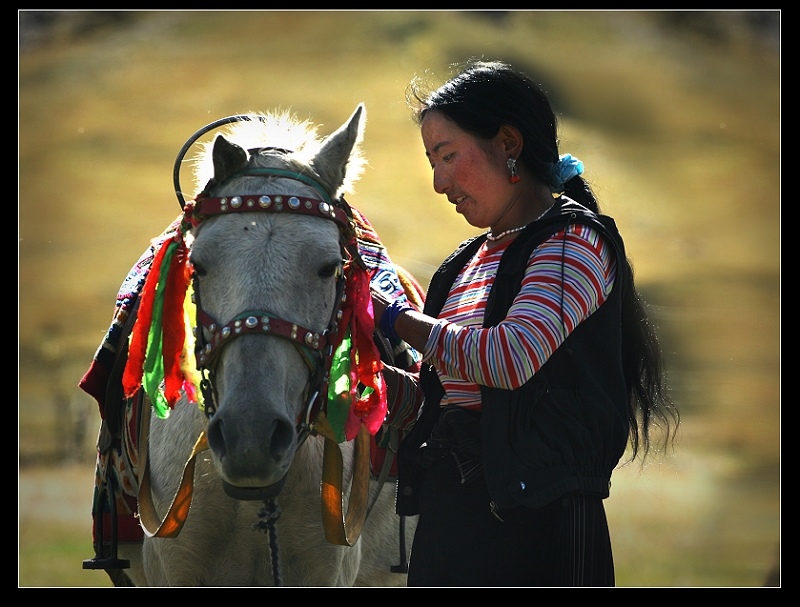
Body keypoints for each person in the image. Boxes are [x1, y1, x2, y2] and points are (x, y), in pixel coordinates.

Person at [372, 59, 680, 587]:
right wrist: (360, 380)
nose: (438, 180)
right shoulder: (462, 265)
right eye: (432, 161)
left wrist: (396, 319)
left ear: (508, 143)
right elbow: (441, 399)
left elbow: (508, 359)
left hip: (538, 528)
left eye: (447, 155)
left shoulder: (572, 244)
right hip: (453, 523)